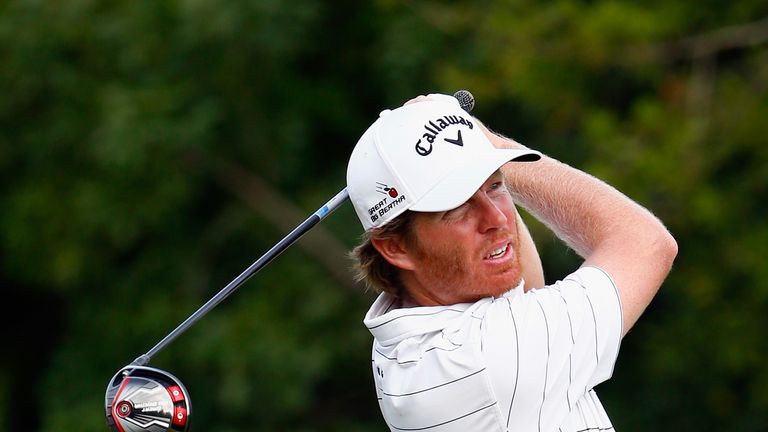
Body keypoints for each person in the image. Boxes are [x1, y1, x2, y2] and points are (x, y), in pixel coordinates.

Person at [345, 93, 678, 431]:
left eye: (494, 187)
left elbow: (525, 285)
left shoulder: (405, 337)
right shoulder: (482, 359)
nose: (497, 218)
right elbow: (646, 243)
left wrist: (463, 146)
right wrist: (490, 143)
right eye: (457, 208)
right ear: (395, 247)